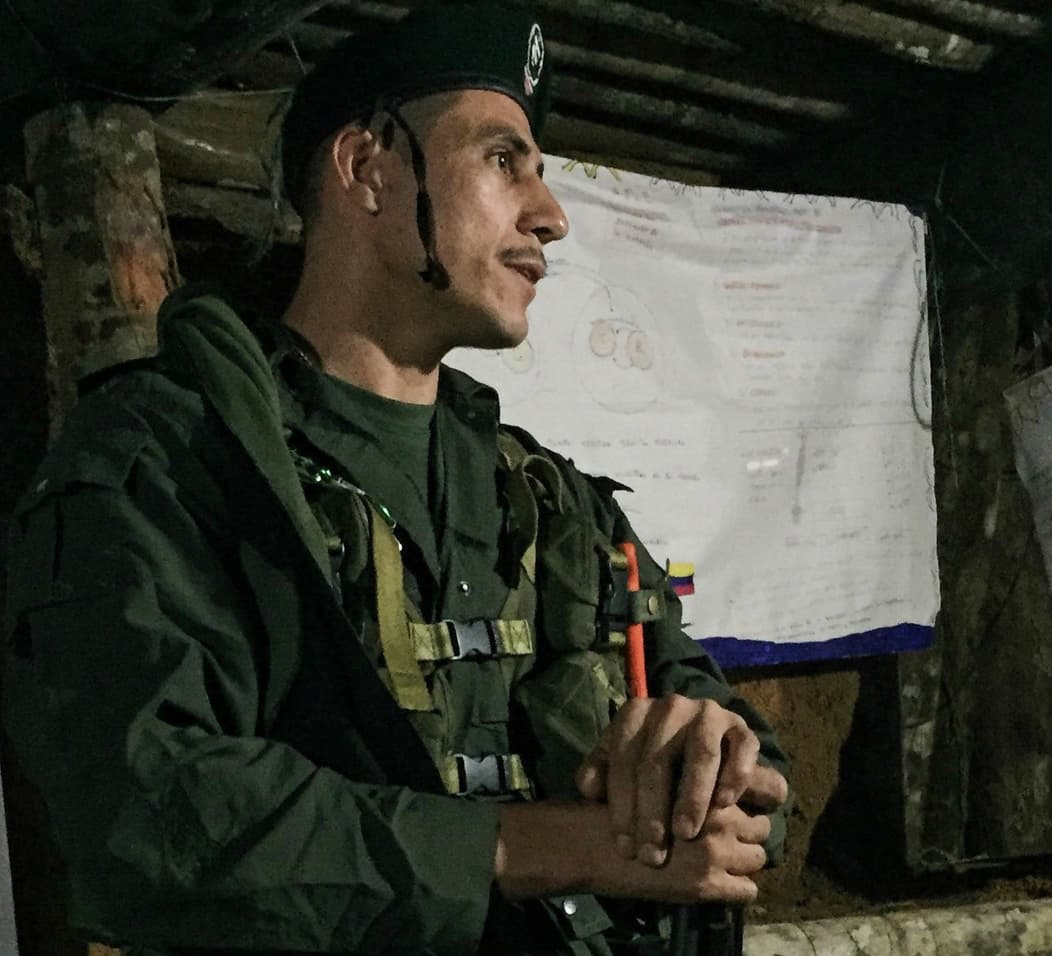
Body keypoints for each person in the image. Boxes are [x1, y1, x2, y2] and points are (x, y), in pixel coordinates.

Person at [0, 3, 789, 955]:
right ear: (368, 172)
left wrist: (721, 774)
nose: (552, 216)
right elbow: (146, 811)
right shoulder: (166, 458)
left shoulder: (547, 499)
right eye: (504, 161)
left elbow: (740, 756)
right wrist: (545, 845)